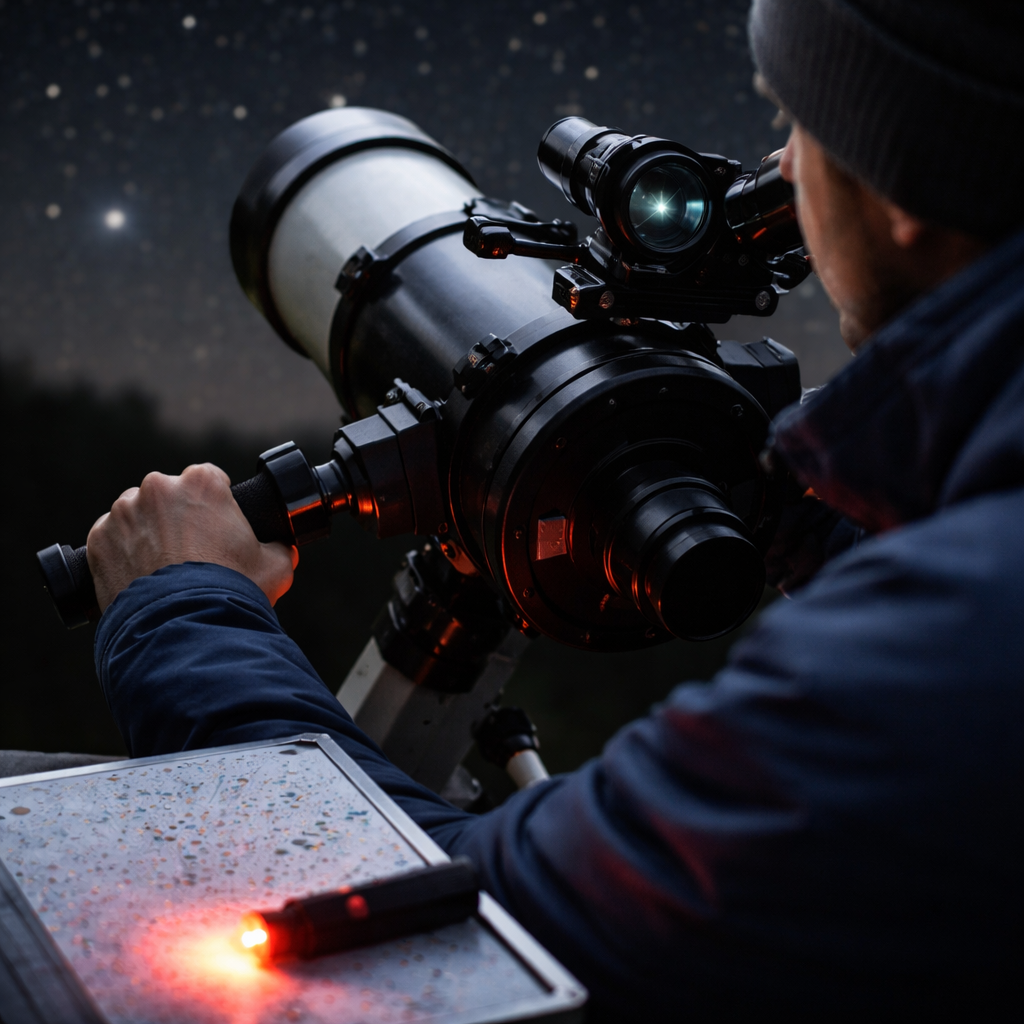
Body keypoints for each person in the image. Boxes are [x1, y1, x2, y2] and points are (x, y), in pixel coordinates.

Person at [84, 1, 1023, 1017]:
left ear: (901, 182)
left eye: (800, 121)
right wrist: (802, 492)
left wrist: (183, 606)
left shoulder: (931, 664)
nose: (782, 169)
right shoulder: (965, 572)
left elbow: (422, 924)